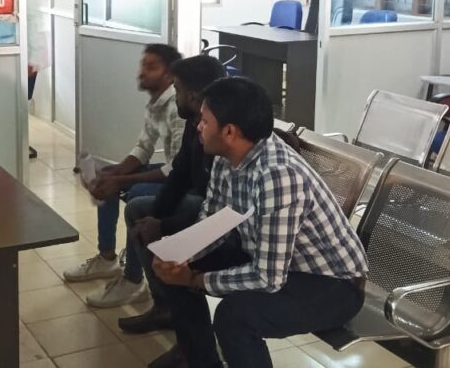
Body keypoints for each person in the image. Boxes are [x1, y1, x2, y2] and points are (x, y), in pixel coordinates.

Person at [150, 77, 368, 368]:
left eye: (204, 121)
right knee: (173, 268)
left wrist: (194, 279)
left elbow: (268, 278)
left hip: (332, 284)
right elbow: (211, 223)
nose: (198, 126)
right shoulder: (226, 156)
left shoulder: (276, 175)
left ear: (229, 131)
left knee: (235, 317)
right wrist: (180, 256)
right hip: (275, 260)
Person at [62, 44, 185, 308]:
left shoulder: (178, 107)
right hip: (175, 170)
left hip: (187, 179)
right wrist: (113, 175)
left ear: (169, 74)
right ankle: (107, 258)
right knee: (108, 176)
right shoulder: (156, 102)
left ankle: (133, 279)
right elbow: (143, 148)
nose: (141, 72)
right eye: (142, 65)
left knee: (137, 195)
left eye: (151, 67)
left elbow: (176, 170)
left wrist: (121, 181)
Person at [117, 55, 227, 334]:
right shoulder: (195, 121)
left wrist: (164, 225)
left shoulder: (223, 130)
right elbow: (179, 174)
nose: (174, 96)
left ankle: (186, 326)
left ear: (192, 96)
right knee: (139, 210)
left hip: (223, 218)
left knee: (187, 207)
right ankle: (164, 306)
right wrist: (156, 217)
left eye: (176, 89)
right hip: (203, 204)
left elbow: (220, 209)